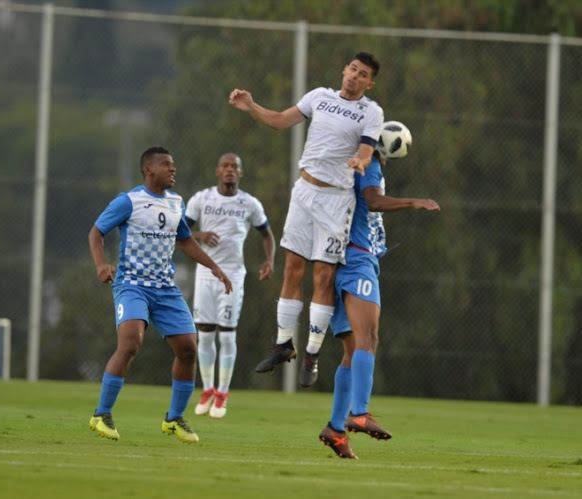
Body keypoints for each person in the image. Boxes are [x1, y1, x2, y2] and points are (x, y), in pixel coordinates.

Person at [229, 52, 384, 386]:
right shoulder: (319, 97)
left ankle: (312, 354)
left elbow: (368, 151)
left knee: (323, 276)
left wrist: (361, 161)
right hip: (303, 193)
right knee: (293, 269)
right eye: (352, 69)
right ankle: (284, 344)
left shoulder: (371, 111)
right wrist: (253, 107)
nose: (355, 76)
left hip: (335, 200)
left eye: (363, 74)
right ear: (344, 69)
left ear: (369, 83)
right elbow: (281, 120)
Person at [88, 146, 233, 443]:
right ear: (148, 169)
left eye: (174, 164)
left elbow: (186, 241)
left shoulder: (176, 203)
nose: (173, 169)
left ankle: (174, 419)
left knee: (188, 348)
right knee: (130, 343)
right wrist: (101, 264)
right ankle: (101, 414)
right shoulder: (129, 201)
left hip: (165, 289)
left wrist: (215, 267)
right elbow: (96, 232)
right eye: (166, 164)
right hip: (132, 285)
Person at [318, 142, 440, 459]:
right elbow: (372, 201)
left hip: (338, 261)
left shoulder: (354, 165)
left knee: (351, 351)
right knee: (368, 339)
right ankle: (359, 413)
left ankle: (334, 428)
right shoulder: (368, 164)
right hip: (357, 261)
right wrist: (414, 201)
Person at [185, 152, 275, 419]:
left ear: (240, 172)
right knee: (205, 333)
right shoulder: (202, 199)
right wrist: (199, 234)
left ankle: (222, 394)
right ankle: (207, 389)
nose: (230, 170)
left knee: (226, 334)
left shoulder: (249, 203)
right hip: (204, 274)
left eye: (235, 166)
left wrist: (269, 260)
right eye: (225, 165)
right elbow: (179, 232)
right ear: (217, 171)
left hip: (233, 275)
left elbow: (267, 234)